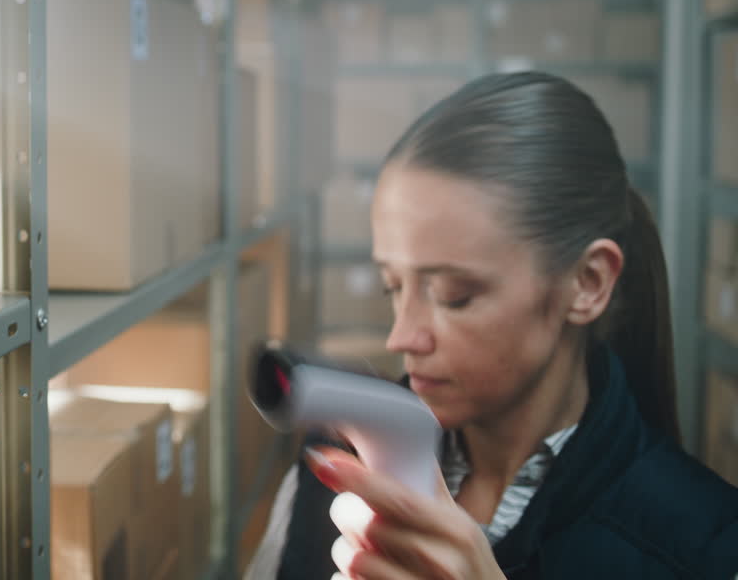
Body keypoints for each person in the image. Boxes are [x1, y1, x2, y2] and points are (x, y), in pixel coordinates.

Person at [245, 72, 738, 580]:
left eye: (455, 296)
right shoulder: (339, 471)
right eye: (394, 287)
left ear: (587, 283)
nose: (402, 337)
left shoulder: (705, 546)